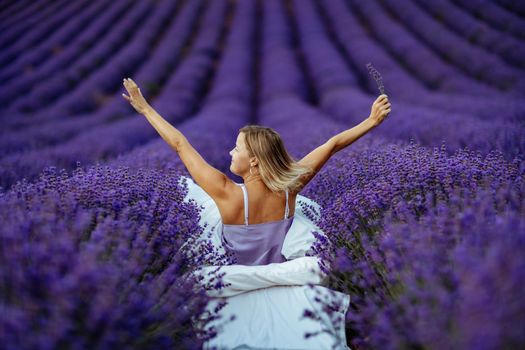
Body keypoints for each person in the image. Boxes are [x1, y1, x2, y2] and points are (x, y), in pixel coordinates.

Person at [122, 77, 390, 349]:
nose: (230, 151)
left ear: (253, 161)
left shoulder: (226, 192)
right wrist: (371, 121)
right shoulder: (290, 189)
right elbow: (332, 144)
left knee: (194, 281)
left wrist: (145, 108)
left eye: (236, 148)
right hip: (281, 272)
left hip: (233, 279)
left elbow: (180, 144)